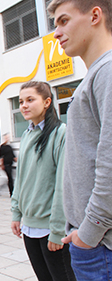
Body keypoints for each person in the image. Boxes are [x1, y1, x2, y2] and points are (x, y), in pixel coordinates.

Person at [48, 1, 112, 279]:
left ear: (95, 15)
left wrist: (89, 233)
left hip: (100, 246)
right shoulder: (96, 76)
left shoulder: (107, 72)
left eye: (64, 21)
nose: (56, 33)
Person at [11, 81, 75, 281]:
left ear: (47, 102)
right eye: (21, 101)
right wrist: (16, 212)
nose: (24, 105)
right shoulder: (27, 134)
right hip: (29, 228)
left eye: (30, 100)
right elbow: (20, 178)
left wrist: (57, 230)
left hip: (51, 229)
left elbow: (63, 184)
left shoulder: (61, 133)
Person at [0, 133, 16, 197]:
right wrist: (1, 165)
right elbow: (0, 157)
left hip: (11, 164)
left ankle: (4, 187)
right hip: (6, 165)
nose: (7, 139)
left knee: (10, 178)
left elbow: (13, 156)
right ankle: (11, 192)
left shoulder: (10, 146)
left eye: (8, 137)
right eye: (6, 138)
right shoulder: (2, 147)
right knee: (10, 178)